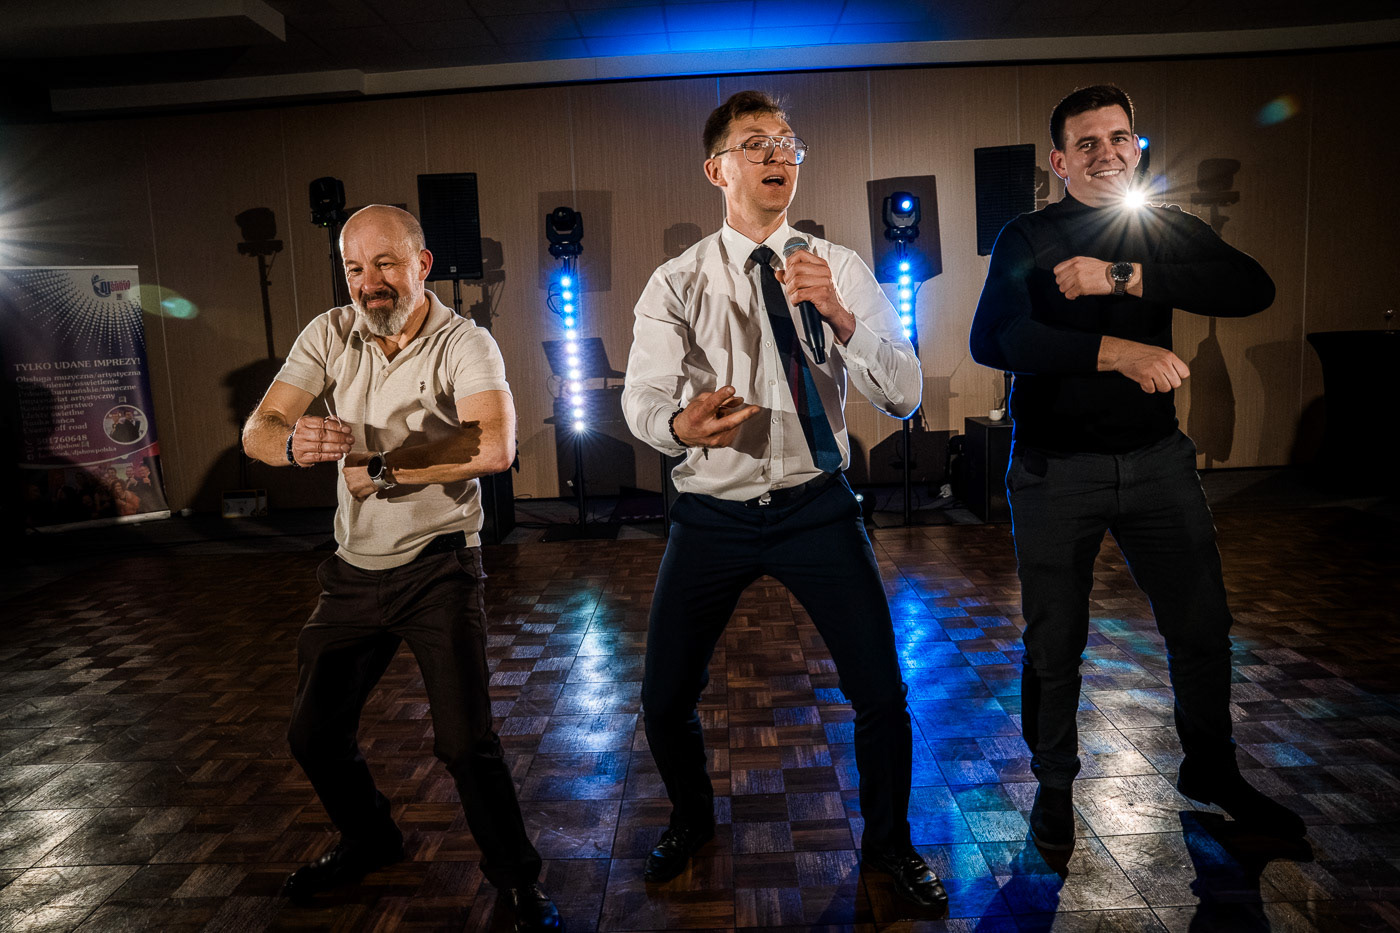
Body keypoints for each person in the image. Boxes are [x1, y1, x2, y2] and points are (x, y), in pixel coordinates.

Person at [622, 91, 945, 909]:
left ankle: (890, 845)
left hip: (816, 506)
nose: (777, 155)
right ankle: (692, 818)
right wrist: (678, 424)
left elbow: (905, 394)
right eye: (756, 142)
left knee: (882, 694)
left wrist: (839, 315)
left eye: (787, 142)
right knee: (663, 697)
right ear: (717, 170)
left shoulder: (841, 268)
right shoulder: (677, 281)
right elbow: (642, 396)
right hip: (712, 513)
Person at [969, 85, 1306, 850]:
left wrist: (1121, 276)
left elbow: (1251, 287)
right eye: (1086, 143)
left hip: (1158, 463)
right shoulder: (1029, 234)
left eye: (1119, 138)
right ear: (1060, 161)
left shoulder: (1163, 228)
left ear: (1136, 147)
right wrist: (1114, 352)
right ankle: (1055, 786)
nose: (1106, 153)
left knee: (1202, 626)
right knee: (1055, 640)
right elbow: (994, 337)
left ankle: (1211, 769)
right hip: (1056, 470)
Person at [242, 205, 561, 932]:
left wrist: (385, 467)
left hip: (437, 566)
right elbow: (259, 428)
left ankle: (517, 881)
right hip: (352, 571)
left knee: (464, 744)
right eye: (355, 268)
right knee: (312, 735)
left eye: (385, 264)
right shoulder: (329, 332)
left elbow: (494, 446)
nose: (369, 282)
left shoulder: (464, 341)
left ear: (422, 265)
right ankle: (371, 838)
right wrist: (290, 445)